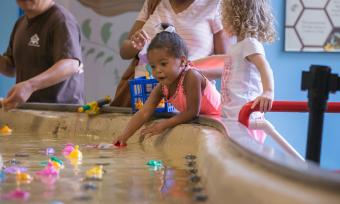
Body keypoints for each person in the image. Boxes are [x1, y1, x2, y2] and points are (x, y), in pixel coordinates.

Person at [113, 24, 221, 146]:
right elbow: (144, 113)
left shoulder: (191, 76)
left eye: (163, 64)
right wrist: (124, 137)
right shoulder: (162, 87)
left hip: (219, 120)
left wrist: (164, 124)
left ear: (182, 61)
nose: (158, 70)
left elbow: (192, 112)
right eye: (153, 66)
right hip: (203, 123)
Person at [111, 0, 229, 106]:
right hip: (141, 98)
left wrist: (187, 71)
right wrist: (134, 44)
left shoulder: (216, 5)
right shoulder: (154, 3)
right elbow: (124, 53)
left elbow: (226, 65)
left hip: (189, 103)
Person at [193, 0, 276, 132]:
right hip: (232, 115)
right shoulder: (236, 47)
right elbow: (224, 68)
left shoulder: (250, 44)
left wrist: (268, 91)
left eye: (223, 14)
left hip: (247, 115)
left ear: (234, 16)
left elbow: (264, 67)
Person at [0, 0, 84, 110]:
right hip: (30, 113)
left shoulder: (62, 20)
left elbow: (70, 64)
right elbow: (11, 68)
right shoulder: (20, 23)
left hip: (62, 115)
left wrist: (30, 86)